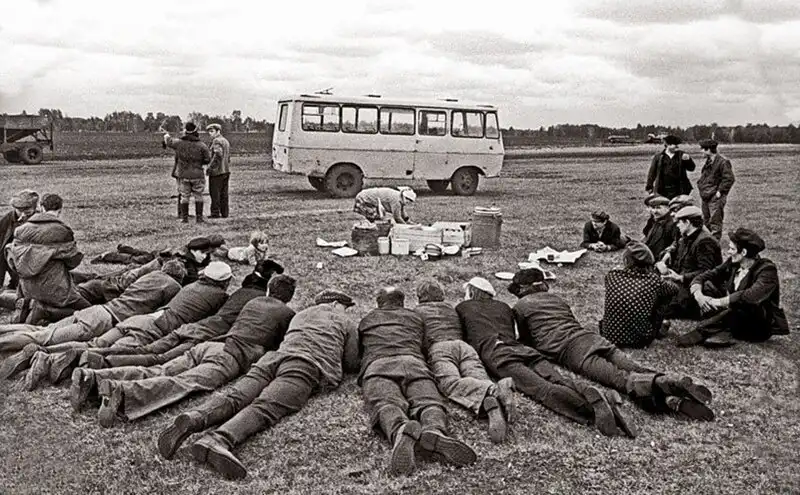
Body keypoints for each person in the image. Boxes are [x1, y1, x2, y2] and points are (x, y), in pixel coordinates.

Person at [156, 289, 359, 480]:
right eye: (345, 307)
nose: (346, 311)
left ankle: (195, 418)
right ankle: (218, 439)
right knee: (266, 406)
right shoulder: (343, 320)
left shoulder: (301, 315)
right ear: (335, 303)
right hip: (304, 366)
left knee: (236, 395)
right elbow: (351, 362)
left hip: (272, 359)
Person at [69, 275, 296, 428]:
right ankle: (123, 391)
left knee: (160, 369)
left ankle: (95, 376)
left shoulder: (253, 303)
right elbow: (278, 346)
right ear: (289, 297)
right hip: (229, 357)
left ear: (269, 290)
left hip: (211, 345)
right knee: (183, 382)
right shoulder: (286, 314)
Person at [509, 267, 714, 421]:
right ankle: (670, 388)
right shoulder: (557, 299)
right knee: (635, 368)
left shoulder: (521, 307)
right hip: (590, 338)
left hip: (571, 351)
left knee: (620, 380)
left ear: (522, 290)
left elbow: (527, 340)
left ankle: (665, 395)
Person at [456, 277, 633, 438]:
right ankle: (602, 399)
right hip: (524, 349)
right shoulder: (503, 307)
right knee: (559, 379)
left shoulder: (462, 308)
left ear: (470, 292)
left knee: (541, 389)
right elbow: (516, 334)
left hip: (498, 354)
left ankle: (591, 411)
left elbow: (461, 339)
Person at [79, 260, 284, 369]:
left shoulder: (191, 286)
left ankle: (98, 355)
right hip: (187, 331)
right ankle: (105, 362)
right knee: (159, 359)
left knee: (146, 350)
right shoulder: (225, 297)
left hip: (170, 324)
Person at [358, 286, 476, 476]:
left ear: (379, 303)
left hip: (379, 365)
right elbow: (425, 345)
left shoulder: (367, 319)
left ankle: (400, 429)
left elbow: (357, 353)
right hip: (413, 363)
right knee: (429, 401)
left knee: (386, 403)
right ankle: (435, 430)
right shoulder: (415, 317)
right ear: (402, 302)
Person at [0, 259, 185, 356]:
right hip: (106, 320)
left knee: (41, 330)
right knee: (44, 338)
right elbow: (164, 313)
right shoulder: (174, 286)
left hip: (98, 310)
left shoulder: (150, 275)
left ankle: (3, 329)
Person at [413, 278, 514, 443]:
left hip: (440, 348)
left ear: (419, 297)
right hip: (464, 346)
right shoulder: (451, 309)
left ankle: (493, 390)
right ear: (442, 295)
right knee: (478, 377)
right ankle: (491, 399)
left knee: (450, 383)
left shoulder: (417, 312)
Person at [677, 228, 789, 347]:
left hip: (757, 324)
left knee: (739, 308)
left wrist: (717, 302)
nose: (728, 252)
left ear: (744, 252)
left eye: (732, 249)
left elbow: (750, 297)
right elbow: (706, 275)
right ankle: (724, 332)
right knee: (708, 288)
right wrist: (699, 295)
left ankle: (701, 332)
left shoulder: (767, 270)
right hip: (732, 314)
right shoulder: (733, 263)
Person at [7, 193, 91, 325]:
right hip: (56, 288)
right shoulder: (63, 231)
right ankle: (43, 310)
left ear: (41, 207)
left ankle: (32, 308)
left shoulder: (20, 230)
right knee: (89, 311)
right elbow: (72, 262)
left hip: (27, 289)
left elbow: (13, 261)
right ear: (60, 210)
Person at [600, 242, 679, 348]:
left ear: (627, 260)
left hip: (609, 335)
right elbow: (675, 289)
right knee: (665, 294)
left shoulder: (612, 275)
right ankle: (657, 327)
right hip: (639, 340)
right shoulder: (654, 280)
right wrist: (665, 274)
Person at [660, 206, 723, 320]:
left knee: (662, 307)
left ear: (687, 222)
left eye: (679, 222)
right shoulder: (686, 236)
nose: (677, 225)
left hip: (699, 287)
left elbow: (707, 271)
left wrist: (681, 278)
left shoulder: (705, 241)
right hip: (684, 283)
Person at [164, 122, 211, 223]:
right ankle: (199, 218)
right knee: (198, 195)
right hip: (198, 174)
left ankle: (184, 218)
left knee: (184, 196)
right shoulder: (202, 145)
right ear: (196, 131)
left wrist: (166, 135)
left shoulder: (179, 143)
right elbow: (207, 159)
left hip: (183, 174)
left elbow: (168, 141)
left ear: (185, 131)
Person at [0, 190, 39, 290]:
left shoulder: (41, 220)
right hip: (14, 262)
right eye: (20, 210)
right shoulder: (6, 221)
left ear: (34, 208)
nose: (23, 214)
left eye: (27, 211)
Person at [696, 139, 735, 240]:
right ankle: (707, 242)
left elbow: (729, 179)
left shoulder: (723, 162)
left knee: (715, 222)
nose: (701, 151)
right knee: (706, 221)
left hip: (715, 197)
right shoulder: (709, 162)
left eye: (703, 149)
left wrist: (720, 191)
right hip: (706, 196)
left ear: (709, 150)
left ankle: (714, 244)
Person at [646, 135, 696, 199]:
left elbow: (692, 168)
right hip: (662, 190)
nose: (677, 146)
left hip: (680, 190)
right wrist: (649, 187)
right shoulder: (658, 157)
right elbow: (652, 173)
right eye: (675, 144)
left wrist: (688, 160)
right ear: (667, 145)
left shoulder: (682, 155)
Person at [206, 124, 231, 219]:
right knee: (224, 194)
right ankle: (225, 213)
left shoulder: (216, 141)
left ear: (218, 131)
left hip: (217, 172)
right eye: (209, 131)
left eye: (212, 131)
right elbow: (228, 157)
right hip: (226, 170)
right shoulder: (226, 141)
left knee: (215, 193)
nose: (210, 133)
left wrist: (210, 167)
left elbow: (218, 154)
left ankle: (215, 213)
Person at [642, 195, 678, 261]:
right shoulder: (656, 221)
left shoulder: (672, 223)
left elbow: (677, 243)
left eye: (658, 208)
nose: (655, 211)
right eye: (653, 208)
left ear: (668, 208)